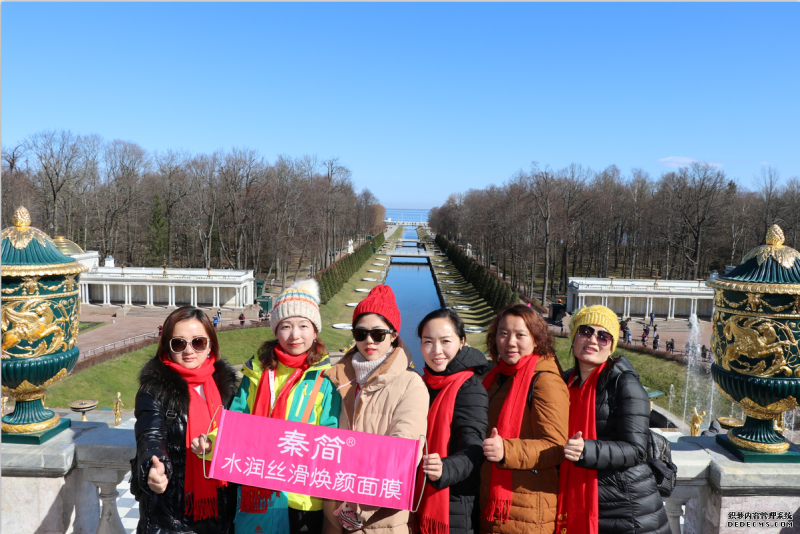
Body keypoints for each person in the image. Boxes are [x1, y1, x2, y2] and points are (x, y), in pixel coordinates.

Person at [192, 279, 341, 534]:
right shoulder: (257, 373)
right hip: (258, 486)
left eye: (303, 325)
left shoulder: (326, 378)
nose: (295, 335)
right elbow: (236, 421)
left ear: (315, 331)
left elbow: (331, 434)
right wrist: (211, 443)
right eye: (286, 326)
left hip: (302, 496)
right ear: (275, 330)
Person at [325, 285, 429, 534]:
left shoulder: (411, 384)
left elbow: (403, 453)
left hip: (378, 522)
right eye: (361, 333)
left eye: (378, 334)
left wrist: (358, 507)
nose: (369, 341)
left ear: (393, 336)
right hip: (333, 514)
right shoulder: (335, 378)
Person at [558, 305, 669, 534]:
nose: (593, 340)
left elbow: (636, 450)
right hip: (579, 496)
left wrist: (587, 450)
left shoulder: (624, 384)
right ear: (574, 336)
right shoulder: (563, 382)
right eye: (585, 331)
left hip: (626, 508)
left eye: (603, 336)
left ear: (611, 346)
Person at [132, 306, 239, 534]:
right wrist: (154, 465)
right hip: (172, 514)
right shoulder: (155, 389)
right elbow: (150, 435)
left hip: (224, 510)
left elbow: (240, 433)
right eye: (179, 344)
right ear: (167, 347)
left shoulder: (226, 385)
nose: (189, 351)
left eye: (198, 342)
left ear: (210, 345)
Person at [480, 303, 569, 533]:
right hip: (492, 505)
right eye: (503, 333)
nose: (510, 342)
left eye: (520, 335)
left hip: (528, 511)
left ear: (536, 339)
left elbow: (556, 447)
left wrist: (506, 451)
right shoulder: (495, 376)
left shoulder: (545, 380)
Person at [416, 309, 488, 534]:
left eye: (445, 341)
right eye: (428, 341)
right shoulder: (420, 384)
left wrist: (444, 469)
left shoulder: (470, 388)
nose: (436, 350)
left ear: (462, 341)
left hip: (453, 506)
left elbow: (474, 448)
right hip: (415, 497)